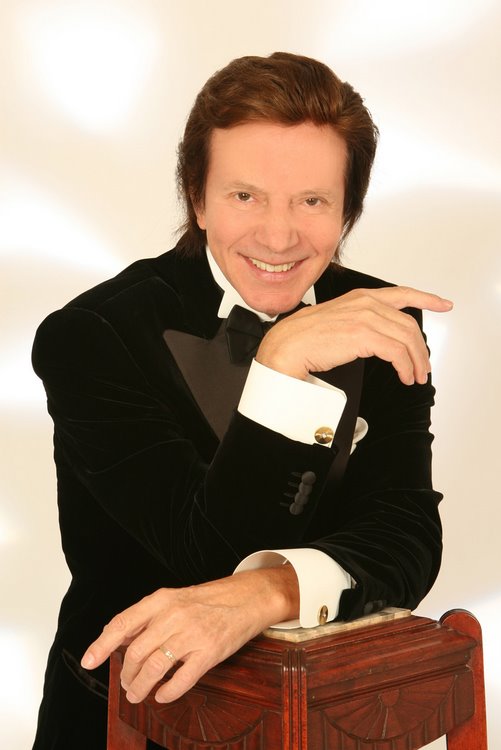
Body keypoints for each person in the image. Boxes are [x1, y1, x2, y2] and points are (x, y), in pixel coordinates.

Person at [31, 51, 452, 749]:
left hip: (321, 720)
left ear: (347, 209)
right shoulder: (91, 336)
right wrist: (282, 362)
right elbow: (199, 555)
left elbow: (405, 537)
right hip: (129, 719)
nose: (279, 237)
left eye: (312, 201)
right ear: (197, 199)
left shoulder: (381, 320)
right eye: (245, 196)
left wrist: (272, 590)